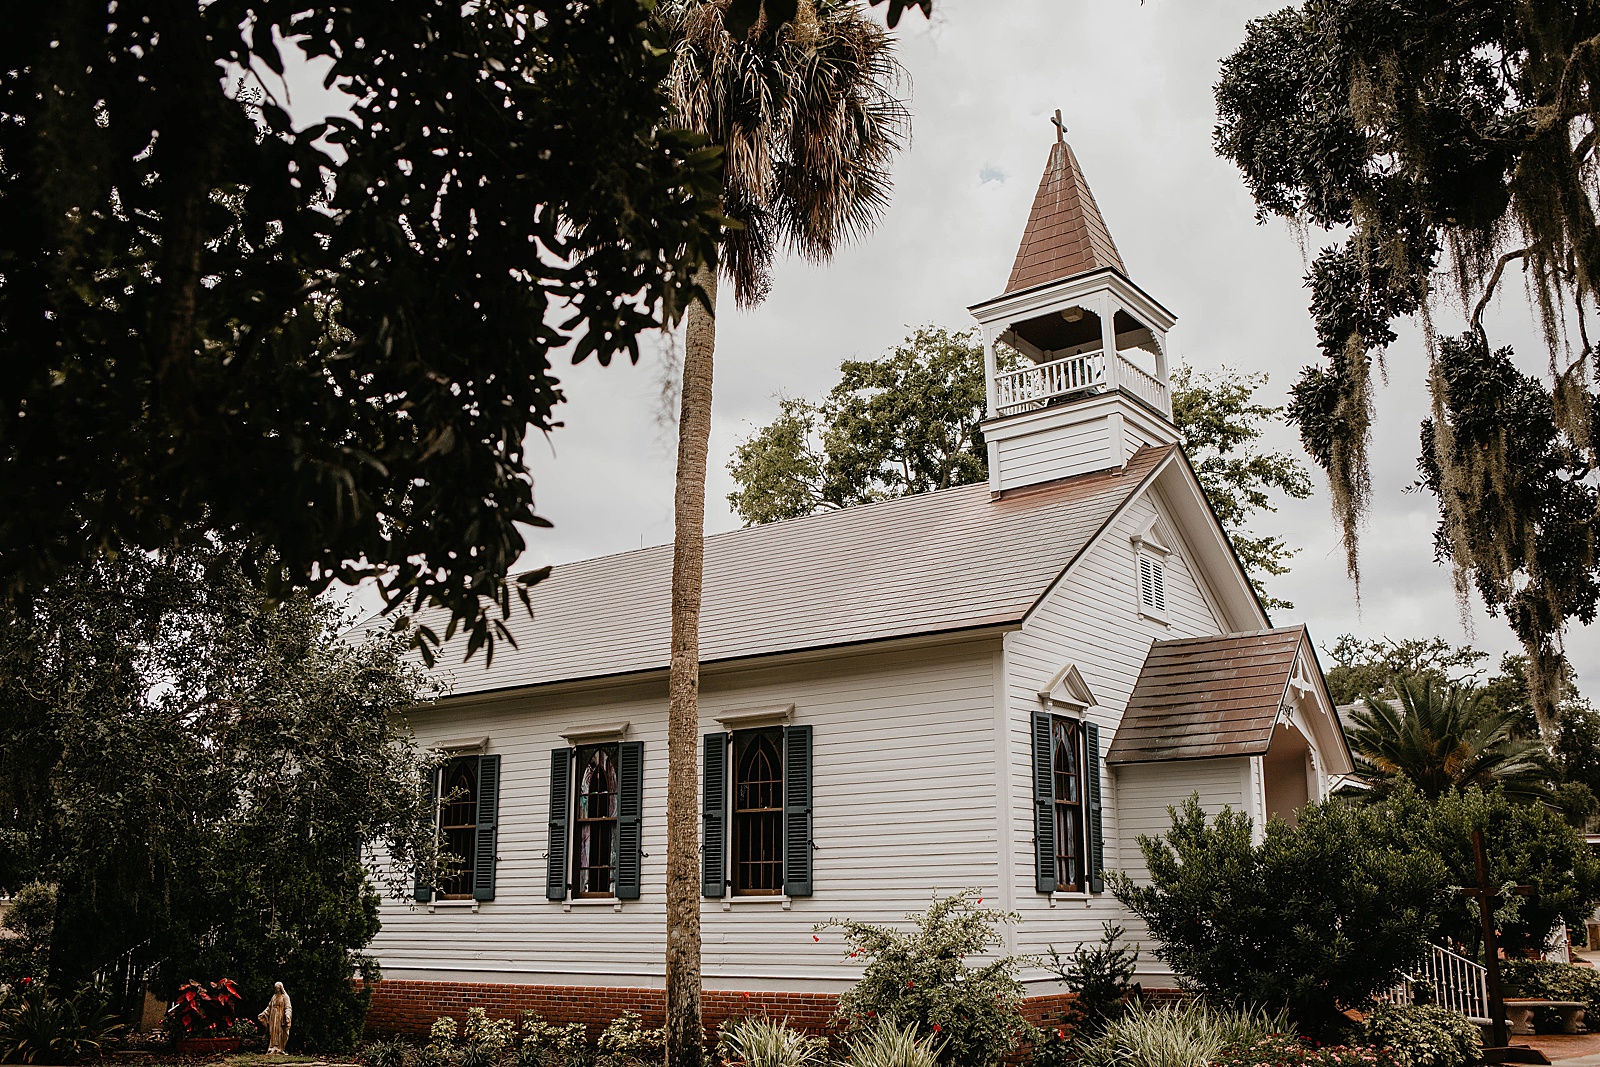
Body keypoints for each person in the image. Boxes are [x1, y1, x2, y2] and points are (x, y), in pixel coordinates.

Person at [258, 982, 292, 1054]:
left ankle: (280, 1048)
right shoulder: (274, 997)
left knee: (279, 1032)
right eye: (275, 988)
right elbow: (269, 1007)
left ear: (280, 988)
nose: (276, 990)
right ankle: (272, 1047)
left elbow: (288, 1007)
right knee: (273, 1031)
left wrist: (287, 1015)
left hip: (280, 1017)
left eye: (277, 988)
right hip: (273, 1017)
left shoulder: (285, 997)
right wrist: (264, 1013)